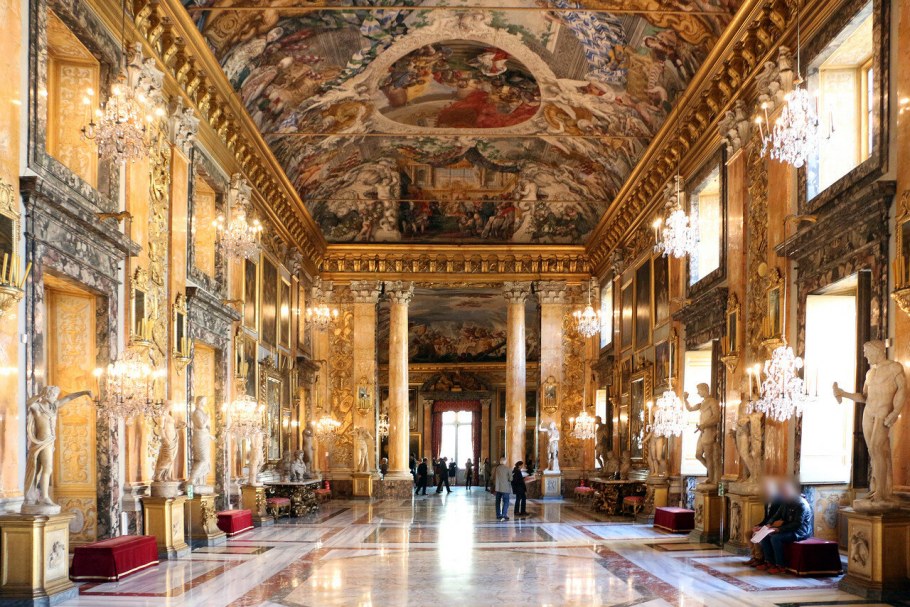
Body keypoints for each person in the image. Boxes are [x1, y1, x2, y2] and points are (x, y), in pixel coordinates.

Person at [757, 480, 814, 574]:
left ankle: (781, 565)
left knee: (775, 538)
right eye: (782, 493)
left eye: (784, 493)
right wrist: (769, 525)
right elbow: (776, 515)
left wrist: (779, 529)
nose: (783, 495)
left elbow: (797, 524)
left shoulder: (801, 504)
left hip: (800, 531)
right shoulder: (785, 502)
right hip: (788, 528)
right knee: (765, 535)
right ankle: (769, 562)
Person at [748, 478, 784, 567]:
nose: (765, 491)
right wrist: (758, 525)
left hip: (775, 526)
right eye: (765, 488)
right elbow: (766, 518)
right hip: (767, 525)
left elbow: (777, 518)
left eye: (767, 488)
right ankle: (754, 556)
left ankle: (759, 558)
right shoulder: (767, 501)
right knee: (747, 533)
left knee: (756, 534)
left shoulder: (779, 501)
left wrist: (763, 527)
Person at [493, 457, 512, 521]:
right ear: (505, 461)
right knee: (506, 501)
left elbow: (493, 477)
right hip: (505, 488)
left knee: (497, 502)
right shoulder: (508, 469)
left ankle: (498, 514)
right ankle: (504, 514)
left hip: (498, 488)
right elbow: (511, 479)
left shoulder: (497, 468)